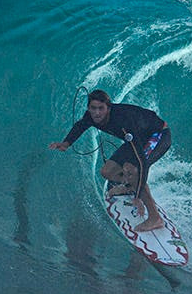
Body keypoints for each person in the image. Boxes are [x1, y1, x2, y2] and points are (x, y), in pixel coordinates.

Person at [49, 89, 172, 232]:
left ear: (109, 108)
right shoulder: (91, 116)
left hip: (158, 135)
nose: (96, 113)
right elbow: (81, 125)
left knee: (134, 170)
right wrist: (66, 143)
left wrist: (137, 198)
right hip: (139, 137)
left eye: (101, 108)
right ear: (88, 108)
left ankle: (155, 218)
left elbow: (142, 163)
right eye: (93, 108)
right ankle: (130, 186)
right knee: (107, 171)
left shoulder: (123, 121)